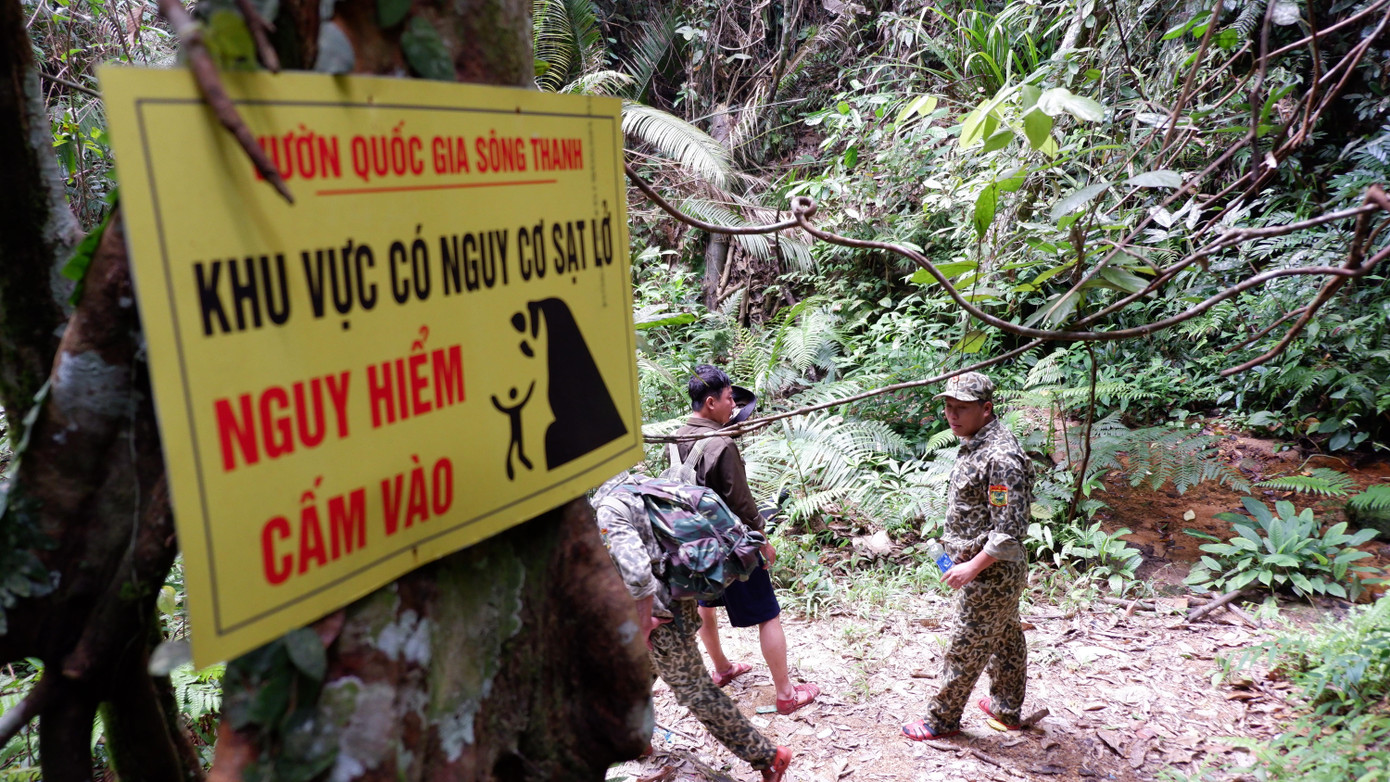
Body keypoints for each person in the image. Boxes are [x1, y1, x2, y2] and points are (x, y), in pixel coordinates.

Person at [591, 472, 793, 782]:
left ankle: (769, 757)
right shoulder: (637, 483)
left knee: (695, 692)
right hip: (675, 595)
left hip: (658, 617)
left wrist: (643, 625)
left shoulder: (609, 506)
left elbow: (637, 574)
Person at [677, 365, 820, 715]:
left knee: (705, 605)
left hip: (696, 544)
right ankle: (786, 694)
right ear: (710, 402)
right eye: (729, 399)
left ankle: (722, 669)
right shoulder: (721, 445)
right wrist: (762, 540)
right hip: (732, 544)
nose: (733, 405)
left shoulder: (679, 435)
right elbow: (741, 503)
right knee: (768, 613)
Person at [903, 371, 1035, 741]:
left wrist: (971, 567)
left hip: (990, 575)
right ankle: (1006, 709)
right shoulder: (976, 442)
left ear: (987, 408)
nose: (952, 415)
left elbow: (1009, 530)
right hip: (980, 569)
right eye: (947, 407)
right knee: (1006, 638)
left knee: (965, 647)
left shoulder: (1001, 456)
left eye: (961, 408)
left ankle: (940, 720)